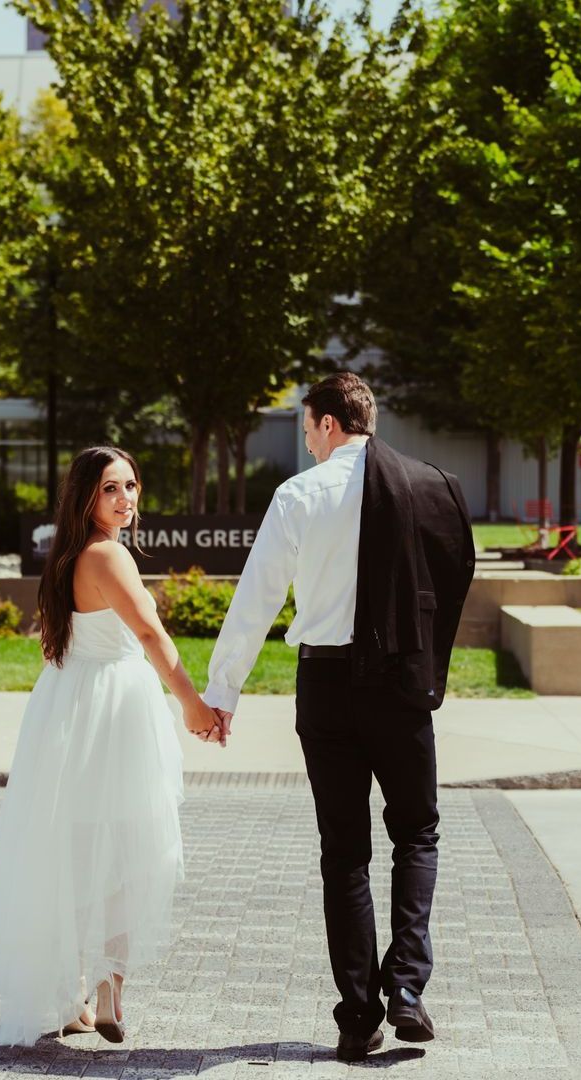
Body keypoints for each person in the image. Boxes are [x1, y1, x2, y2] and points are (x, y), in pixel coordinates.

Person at [203, 372, 475, 1063]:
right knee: (417, 832)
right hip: (400, 684)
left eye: (306, 429)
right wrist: (426, 663)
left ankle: (359, 1016)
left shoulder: (300, 494)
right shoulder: (429, 486)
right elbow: (452, 574)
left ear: (327, 423)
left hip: (325, 686)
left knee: (344, 853)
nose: (306, 443)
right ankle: (407, 989)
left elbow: (256, 598)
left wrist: (222, 692)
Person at [0, 446, 222, 1048]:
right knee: (127, 847)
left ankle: (68, 995)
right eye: (111, 488)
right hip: (115, 707)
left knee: (76, 847)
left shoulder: (63, 557)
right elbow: (147, 632)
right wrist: (192, 702)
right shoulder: (109, 554)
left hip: (67, 706)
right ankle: (111, 987)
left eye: (132, 487)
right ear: (86, 496)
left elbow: (51, 645)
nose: (125, 499)